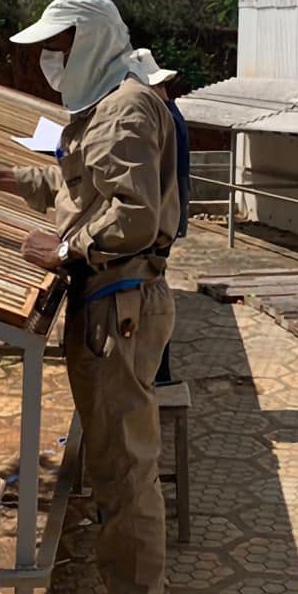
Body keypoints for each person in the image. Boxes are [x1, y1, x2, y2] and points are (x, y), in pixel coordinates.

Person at [0, 0, 179, 594]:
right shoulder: (108, 103)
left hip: (120, 306)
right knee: (114, 469)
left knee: (126, 475)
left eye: (60, 46)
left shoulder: (127, 109)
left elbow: (133, 217)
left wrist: (66, 247)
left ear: (91, 40)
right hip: (112, 303)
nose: (51, 60)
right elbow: (73, 183)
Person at [127, 47, 191, 386]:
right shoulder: (172, 112)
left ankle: (156, 375)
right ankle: (156, 374)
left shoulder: (159, 118)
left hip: (156, 222)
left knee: (150, 300)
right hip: (166, 218)